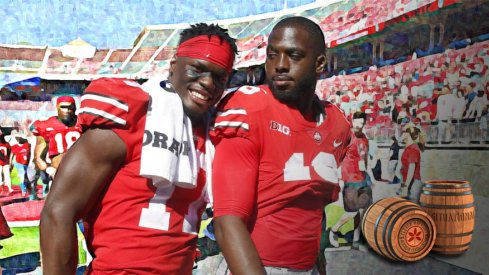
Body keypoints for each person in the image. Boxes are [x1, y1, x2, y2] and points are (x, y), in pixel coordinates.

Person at [40, 23, 237, 274]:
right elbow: (58, 212)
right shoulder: (130, 115)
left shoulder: (214, 133)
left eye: (220, 77)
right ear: (174, 66)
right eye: (197, 69)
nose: (208, 82)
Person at [211, 16, 351, 275]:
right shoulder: (251, 107)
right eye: (272, 55)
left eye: (293, 56)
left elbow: (313, 206)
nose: (279, 66)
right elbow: (227, 221)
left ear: (320, 63)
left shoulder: (337, 124)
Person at [329, 111, 378, 250]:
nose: (360, 125)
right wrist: (337, 176)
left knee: (363, 210)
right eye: (357, 122)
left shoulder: (364, 138)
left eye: (362, 123)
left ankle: (357, 240)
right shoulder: (346, 137)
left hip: (363, 179)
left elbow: (365, 159)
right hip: (350, 179)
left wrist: (370, 176)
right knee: (351, 211)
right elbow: (336, 155)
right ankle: (334, 229)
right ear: (352, 121)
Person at [30, 95, 81, 197]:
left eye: (70, 107)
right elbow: (38, 157)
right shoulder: (46, 125)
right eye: (63, 107)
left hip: (81, 172)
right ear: (57, 107)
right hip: (58, 173)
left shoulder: (83, 122)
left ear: (75, 108)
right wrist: (49, 169)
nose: (67, 110)